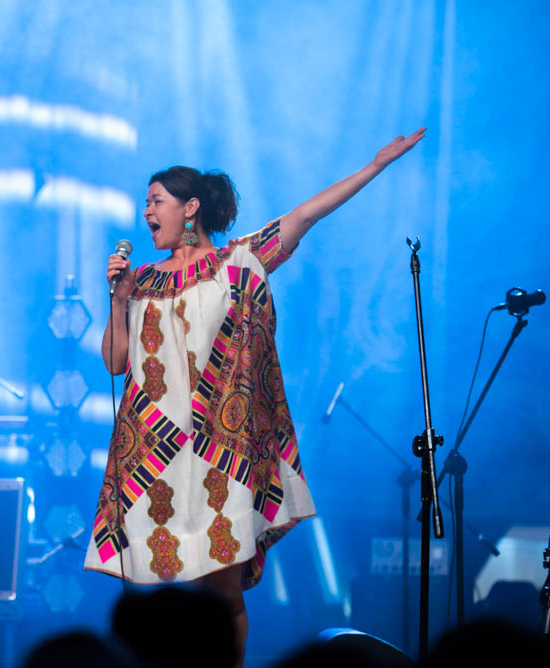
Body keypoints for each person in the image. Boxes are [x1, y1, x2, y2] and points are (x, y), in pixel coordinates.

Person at [84, 129, 426, 665]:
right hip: (159, 455)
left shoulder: (238, 262)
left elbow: (306, 215)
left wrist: (374, 165)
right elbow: (113, 362)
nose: (146, 211)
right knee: (178, 588)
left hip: (224, 451)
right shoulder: (142, 281)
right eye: (146, 203)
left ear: (190, 208)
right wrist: (119, 298)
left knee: (221, 585)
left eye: (156, 200)